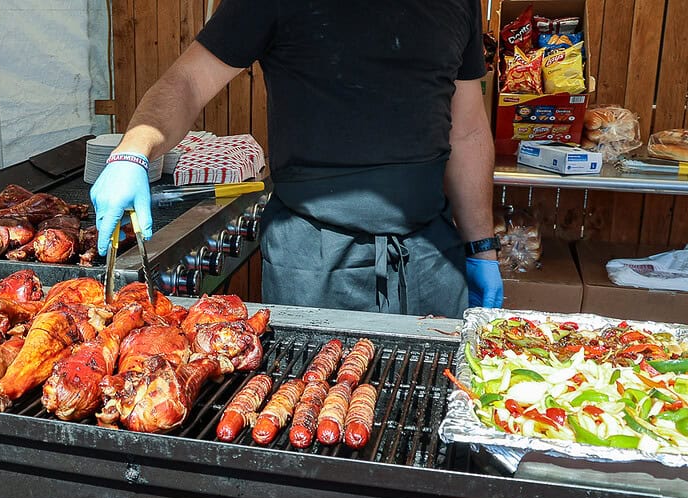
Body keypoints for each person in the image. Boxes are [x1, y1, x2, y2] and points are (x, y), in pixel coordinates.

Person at [91, 0, 503, 317]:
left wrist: (482, 249)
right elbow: (187, 81)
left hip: (431, 258)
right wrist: (133, 151)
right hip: (313, 261)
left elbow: (467, 130)